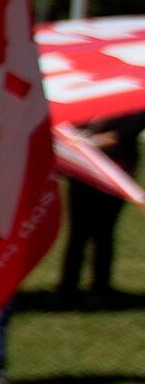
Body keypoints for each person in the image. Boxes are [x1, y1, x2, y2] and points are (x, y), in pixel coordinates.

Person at [60, 111, 140, 303]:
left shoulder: (135, 108)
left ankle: (100, 288)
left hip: (114, 174)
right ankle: (68, 288)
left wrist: (85, 143)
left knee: (103, 231)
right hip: (83, 173)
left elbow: (120, 137)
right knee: (78, 232)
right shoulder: (87, 104)